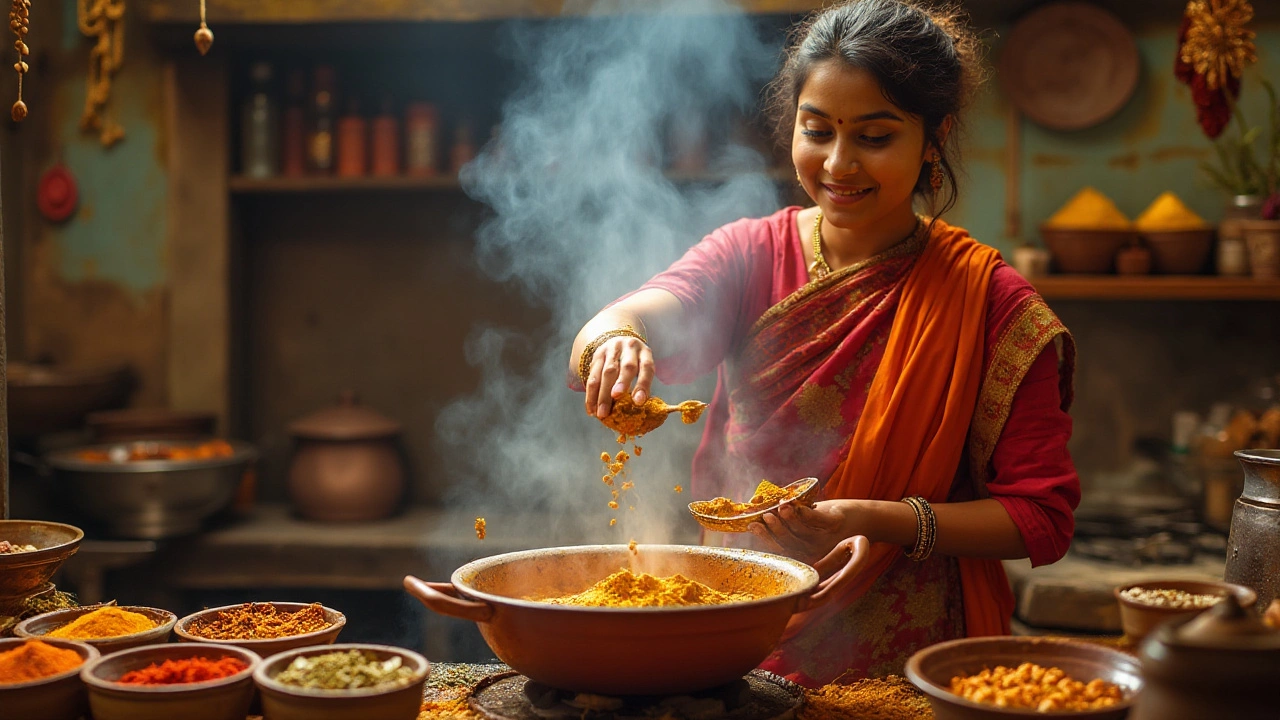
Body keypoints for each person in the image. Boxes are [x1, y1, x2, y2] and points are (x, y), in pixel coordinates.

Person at [569, 0, 1079, 686]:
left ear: (935, 136)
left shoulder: (988, 302)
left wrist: (875, 520)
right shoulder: (751, 253)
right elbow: (632, 317)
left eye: (875, 136)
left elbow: (1041, 516)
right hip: (740, 636)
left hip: (914, 660)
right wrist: (616, 341)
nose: (839, 164)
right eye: (817, 131)